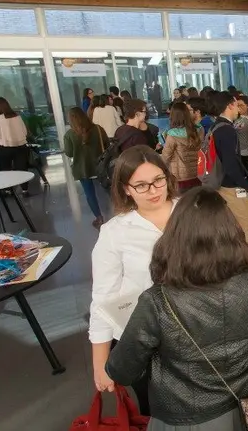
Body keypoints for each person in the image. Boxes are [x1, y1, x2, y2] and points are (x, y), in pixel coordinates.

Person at [105, 187, 248, 431]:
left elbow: (122, 371)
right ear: (231, 230)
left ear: (175, 236)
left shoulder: (157, 302)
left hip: (188, 417)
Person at [90, 146, 179, 416]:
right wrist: (101, 362)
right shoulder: (115, 232)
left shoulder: (191, 212)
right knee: (156, 409)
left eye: (158, 180)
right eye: (141, 185)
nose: (153, 190)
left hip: (196, 330)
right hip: (144, 340)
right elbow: (103, 298)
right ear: (126, 189)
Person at [208, 91, 248, 261]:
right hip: (231, 186)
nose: (238, 107)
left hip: (219, 184)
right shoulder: (227, 130)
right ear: (229, 105)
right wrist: (246, 185)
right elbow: (231, 164)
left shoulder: (215, 126)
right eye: (236, 104)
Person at [64, 107, 108, 228]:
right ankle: (119, 212)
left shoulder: (69, 134)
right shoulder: (98, 129)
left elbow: (69, 153)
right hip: (100, 166)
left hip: (82, 169)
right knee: (108, 190)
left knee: (90, 194)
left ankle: (99, 218)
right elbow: (107, 144)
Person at [162, 102, 202, 193]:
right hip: (197, 175)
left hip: (180, 178)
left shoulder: (172, 134)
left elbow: (165, 158)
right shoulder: (199, 130)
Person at [0, 97, 30, 194]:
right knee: (22, 168)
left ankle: (9, 189)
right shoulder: (17, 116)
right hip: (21, 146)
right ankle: (25, 189)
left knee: (6, 169)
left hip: (5, 147)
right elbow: (25, 132)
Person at [234, 95, 248, 183]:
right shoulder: (236, 120)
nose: (239, 107)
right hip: (241, 153)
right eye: (237, 105)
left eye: (241, 105)